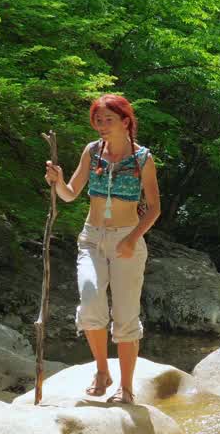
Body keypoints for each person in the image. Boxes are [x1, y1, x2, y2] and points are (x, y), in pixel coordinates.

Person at [44, 94, 160, 403]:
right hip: (92, 238)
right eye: (98, 120)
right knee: (90, 299)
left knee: (125, 317)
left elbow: (153, 209)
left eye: (108, 120)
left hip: (127, 241)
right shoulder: (92, 152)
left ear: (125, 121)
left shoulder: (143, 159)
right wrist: (56, 181)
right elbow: (69, 194)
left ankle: (126, 388)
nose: (102, 126)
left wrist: (132, 238)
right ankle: (101, 371)